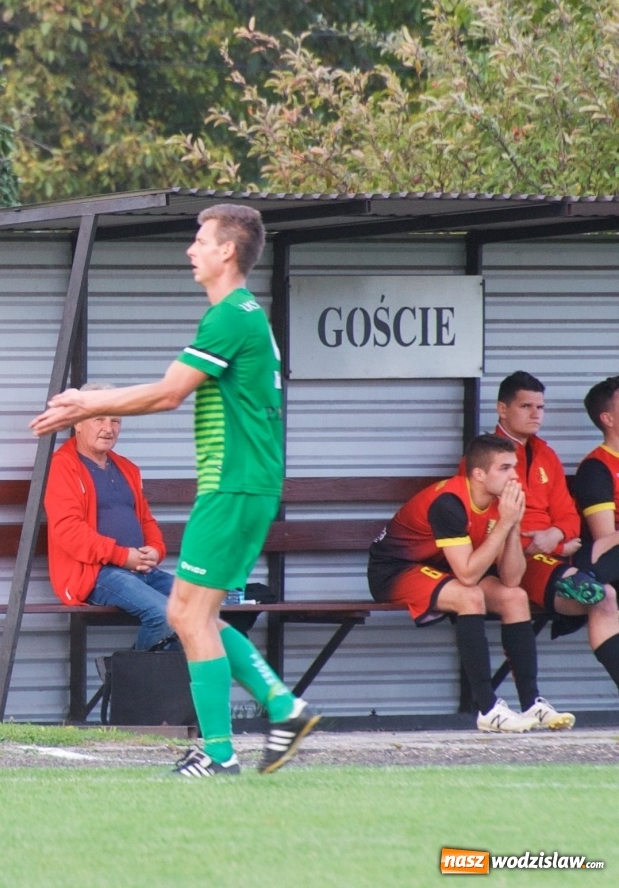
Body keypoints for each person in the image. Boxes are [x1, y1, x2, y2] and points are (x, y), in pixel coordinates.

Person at [31, 204, 317, 778]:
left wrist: (87, 402)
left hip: (233, 485)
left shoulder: (230, 317)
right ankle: (280, 711)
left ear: (227, 251)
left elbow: (168, 393)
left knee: (188, 615)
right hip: (243, 485)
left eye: (201, 241)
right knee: (193, 614)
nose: (191, 250)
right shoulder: (243, 315)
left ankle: (222, 751)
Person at [368, 435, 569, 732]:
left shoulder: (500, 502)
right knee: (470, 595)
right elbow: (467, 576)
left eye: (514, 467)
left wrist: (513, 525)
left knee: (514, 597)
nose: (514, 476)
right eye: (504, 468)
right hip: (396, 570)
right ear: (478, 474)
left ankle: (531, 703)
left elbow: (512, 578)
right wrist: (504, 523)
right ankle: (487, 709)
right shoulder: (449, 502)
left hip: (446, 567)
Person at [461, 371, 603, 620]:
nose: (536, 414)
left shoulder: (547, 454)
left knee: (604, 597)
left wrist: (555, 535)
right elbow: (479, 526)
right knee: (596, 597)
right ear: (502, 409)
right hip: (511, 563)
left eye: (540, 407)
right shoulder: (483, 458)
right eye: (526, 406)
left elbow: (569, 517)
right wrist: (557, 546)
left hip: (554, 556)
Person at [43, 385, 172, 652]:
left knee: (202, 606)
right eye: (99, 418)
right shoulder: (62, 466)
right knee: (164, 614)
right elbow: (69, 531)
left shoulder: (127, 467)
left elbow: (146, 520)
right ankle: (128, 676)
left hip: (141, 569)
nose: (108, 428)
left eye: (115, 420)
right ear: (77, 422)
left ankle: (161, 674)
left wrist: (155, 550)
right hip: (95, 574)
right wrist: (122, 556)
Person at [540, 376, 619, 700]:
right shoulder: (597, 468)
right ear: (608, 418)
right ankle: (585, 578)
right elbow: (605, 537)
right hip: (604, 559)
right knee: (605, 594)